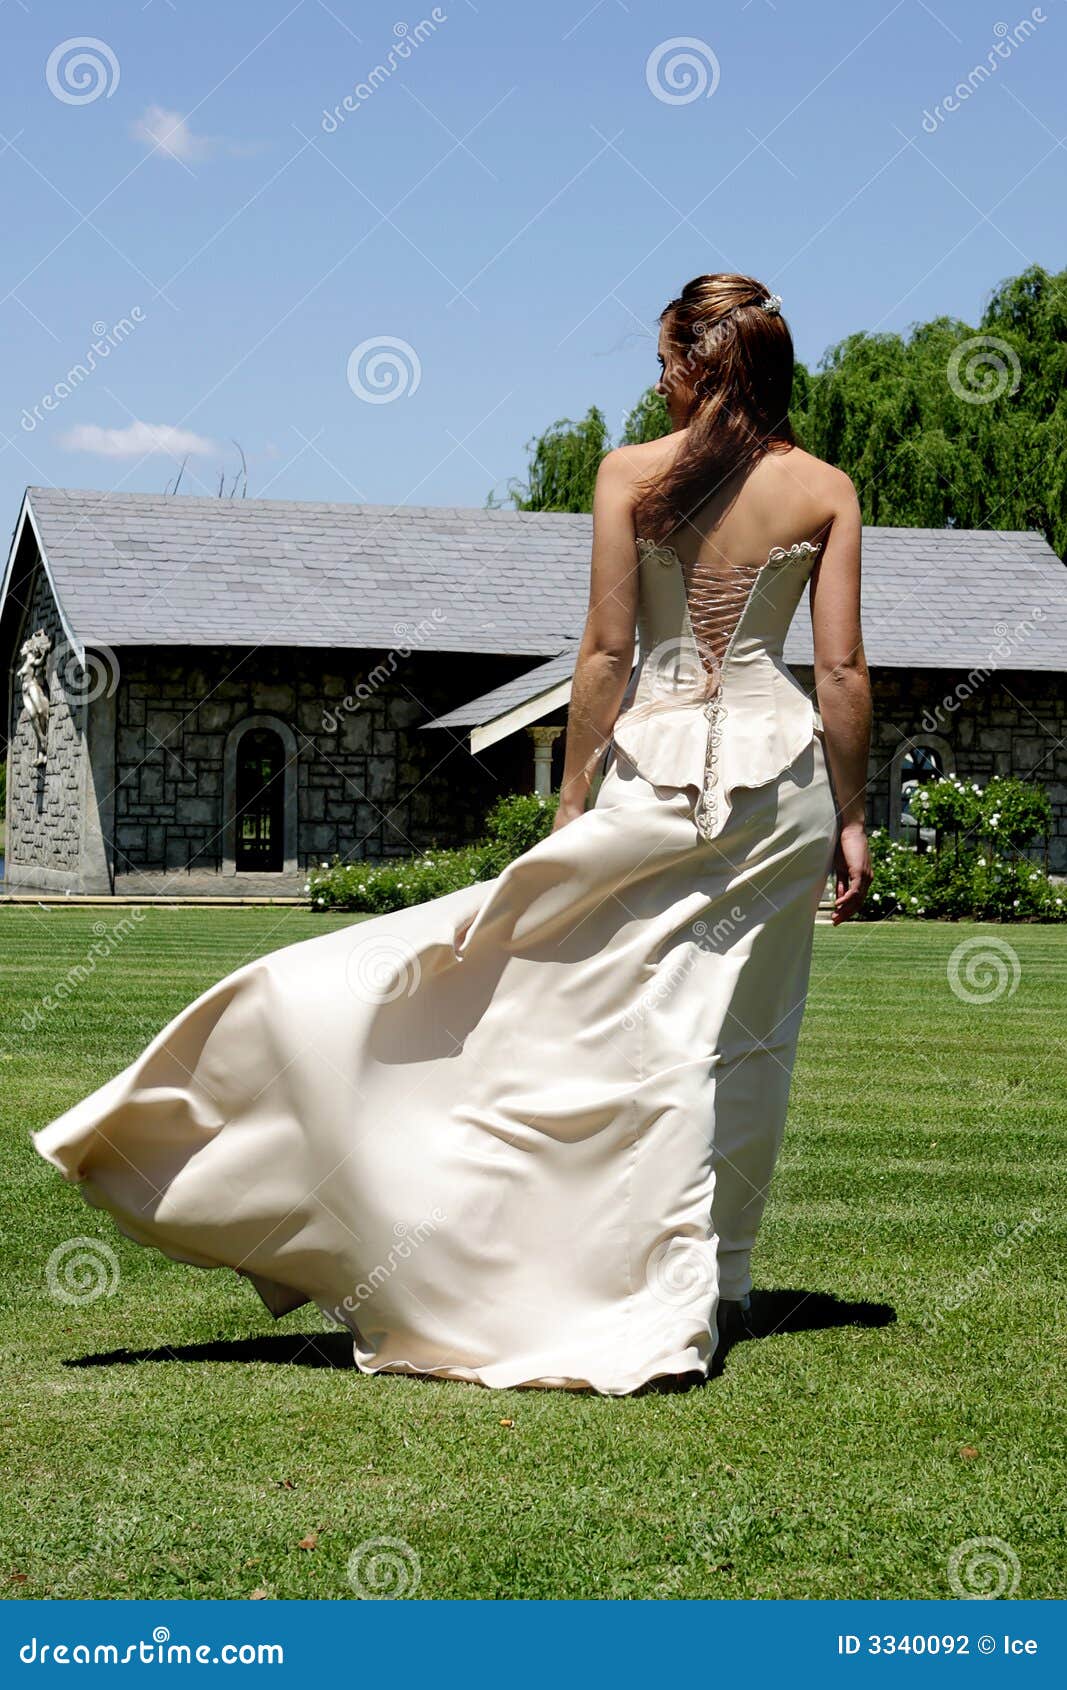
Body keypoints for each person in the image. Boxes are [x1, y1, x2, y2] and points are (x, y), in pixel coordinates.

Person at [35, 272, 872, 1396]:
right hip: (780, 787)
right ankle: (705, 1281)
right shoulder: (823, 489)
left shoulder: (630, 475)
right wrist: (852, 813)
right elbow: (842, 670)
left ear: (694, 363)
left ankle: (625, 1272)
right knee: (738, 1037)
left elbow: (607, 658)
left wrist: (572, 802)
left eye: (663, 365)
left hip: (654, 769)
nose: (656, 387)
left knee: (579, 1003)